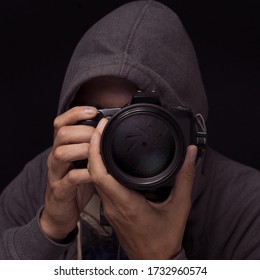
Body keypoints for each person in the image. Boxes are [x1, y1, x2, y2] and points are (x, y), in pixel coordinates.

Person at [0, 0, 260, 260]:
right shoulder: (47, 182)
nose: (125, 139)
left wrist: (161, 261)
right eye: (101, 117)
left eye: (141, 119)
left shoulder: (247, 207)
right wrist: (48, 230)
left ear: (191, 128)